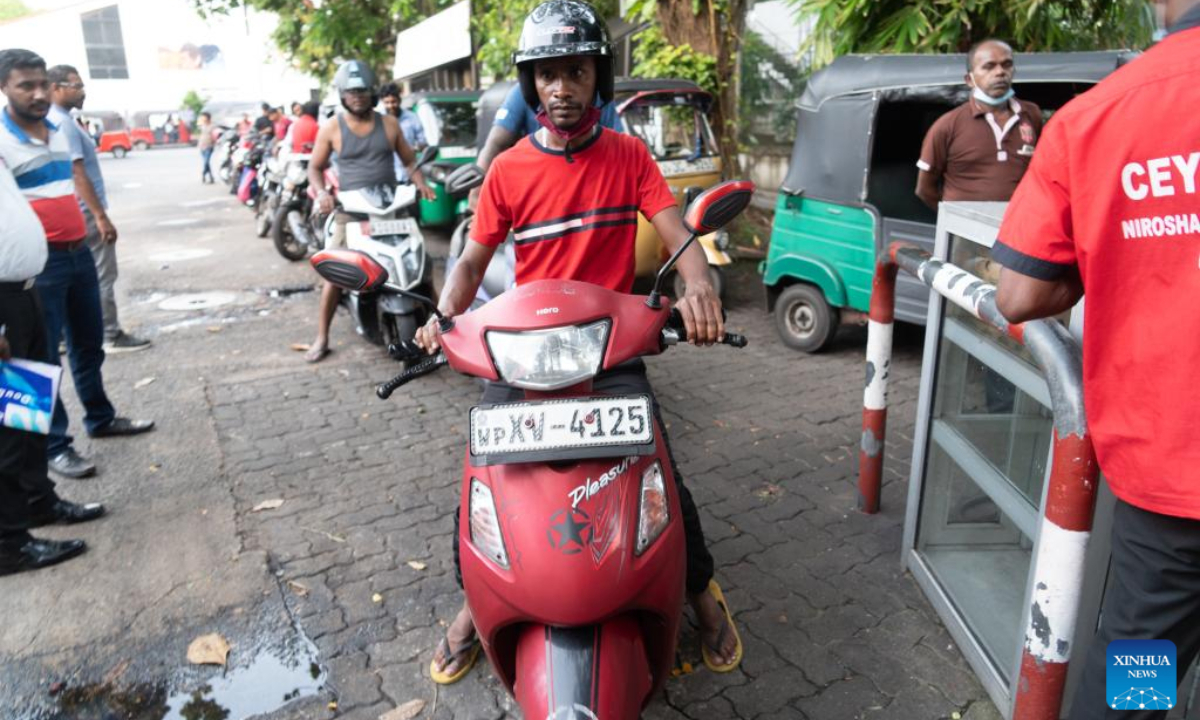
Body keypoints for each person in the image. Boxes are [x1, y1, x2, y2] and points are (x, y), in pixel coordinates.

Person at [414, 0, 742, 685]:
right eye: (547, 75)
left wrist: (699, 284)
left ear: (598, 79)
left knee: (662, 479)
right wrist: (444, 313)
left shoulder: (629, 156)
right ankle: (479, 606)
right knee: (486, 488)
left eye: (576, 72)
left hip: (610, 351)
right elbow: (471, 262)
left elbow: (676, 229)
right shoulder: (506, 171)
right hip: (523, 349)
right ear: (530, 85)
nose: (561, 87)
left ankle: (700, 592)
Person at [991, 2, 1200, 717]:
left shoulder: (1096, 117)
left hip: (1169, 502)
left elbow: (1016, 294)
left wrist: (1113, 253)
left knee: (1135, 682)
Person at [0, 49, 154, 480]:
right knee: (38, 363)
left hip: (77, 253)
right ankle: (54, 449)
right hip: (34, 270)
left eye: (41, 84)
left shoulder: (58, 129)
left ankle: (100, 418)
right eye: (24, 86)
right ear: (4, 89)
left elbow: (75, 179)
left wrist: (99, 218)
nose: (37, 94)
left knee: (88, 343)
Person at [0, 153, 106, 576]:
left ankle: (36, 504)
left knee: (27, 417)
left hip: (23, 293)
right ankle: (9, 544)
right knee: (7, 433)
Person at [303, 59, 435, 363]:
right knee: (335, 272)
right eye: (351, 92)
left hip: (391, 207)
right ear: (342, 94)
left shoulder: (389, 124)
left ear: (371, 91)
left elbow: (409, 161)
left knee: (421, 264)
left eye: (362, 90)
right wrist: (322, 192)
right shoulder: (332, 127)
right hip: (352, 211)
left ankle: (446, 326)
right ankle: (322, 336)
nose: (357, 96)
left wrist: (422, 183)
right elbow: (315, 166)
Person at [48, 64, 151, 354]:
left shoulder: (60, 120)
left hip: (79, 212)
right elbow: (77, 172)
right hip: (85, 213)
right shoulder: (62, 123)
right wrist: (100, 216)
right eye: (76, 86)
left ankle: (84, 333)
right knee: (103, 273)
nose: (82, 91)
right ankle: (110, 333)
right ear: (56, 88)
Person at [915, 39, 1044, 210]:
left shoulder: (1031, 114)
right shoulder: (948, 125)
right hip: (966, 232)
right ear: (970, 80)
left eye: (1007, 65)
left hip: (1018, 227)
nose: (1000, 72)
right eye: (989, 66)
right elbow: (924, 190)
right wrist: (954, 219)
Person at [470, 69, 621, 210]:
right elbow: (496, 142)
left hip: (591, 194)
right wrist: (477, 193)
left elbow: (617, 150)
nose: (562, 91)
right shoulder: (520, 94)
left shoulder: (602, 102)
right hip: (537, 193)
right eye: (548, 76)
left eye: (576, 73)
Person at [379, 82, 426, 182]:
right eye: (387, 102)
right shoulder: (378, 120)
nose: (390, 105)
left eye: (393, 101)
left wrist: (414, 148)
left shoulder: (412, 118)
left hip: (409, 177)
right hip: (387, 177)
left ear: (399, 100)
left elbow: (423, 143)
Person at [197, 111, 215, 183]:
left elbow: (215, 136)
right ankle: (211, 177)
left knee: (206, 162)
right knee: (206, 163)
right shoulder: (202, 125)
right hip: (202, 146)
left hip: (209, 146)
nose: (202, 118)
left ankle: (203, 173)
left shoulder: (212, 126)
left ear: (207, 117)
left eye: (203, 117)